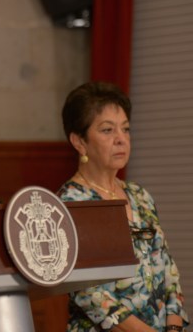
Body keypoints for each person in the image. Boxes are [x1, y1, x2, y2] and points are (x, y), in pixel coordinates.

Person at [58, 81, 189, 332]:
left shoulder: (140, 195)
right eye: (107, 130)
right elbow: (88, 294)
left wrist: (174, 327)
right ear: (79, 141)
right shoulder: (69, 204)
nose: (121, 139)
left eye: (125, 129)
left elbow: (168, 271)